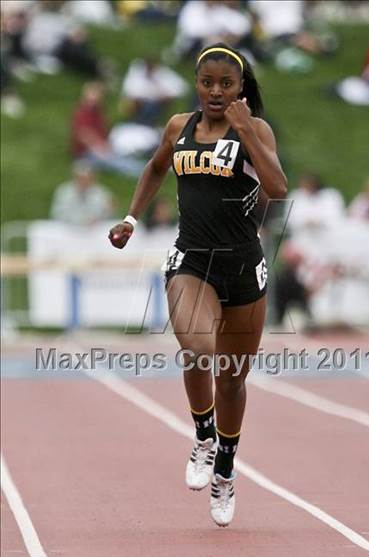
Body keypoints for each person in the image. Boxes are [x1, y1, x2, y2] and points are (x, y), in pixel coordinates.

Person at [109, 42, 287, 526]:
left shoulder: (255, 129)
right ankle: (203, 436)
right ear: (196, 83)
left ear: (241, 87)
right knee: (197, 349)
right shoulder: (178, 127)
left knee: (231, 377)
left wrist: (248, 130)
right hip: (191, 259)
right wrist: (130, 217)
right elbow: (154, 168)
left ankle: (226, 469)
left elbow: (277, 188)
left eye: (225, 84)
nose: (215, 91)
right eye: (206, 82)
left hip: (244, 266)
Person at [71, 81, 145, 178]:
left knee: (122, 153)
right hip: (86, 152)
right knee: (113, 160)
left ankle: (149, 168)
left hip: (101, 145)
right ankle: (142, 172)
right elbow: (83, 135)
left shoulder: (98, 111)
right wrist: (101, 146)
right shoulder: (82, 112)